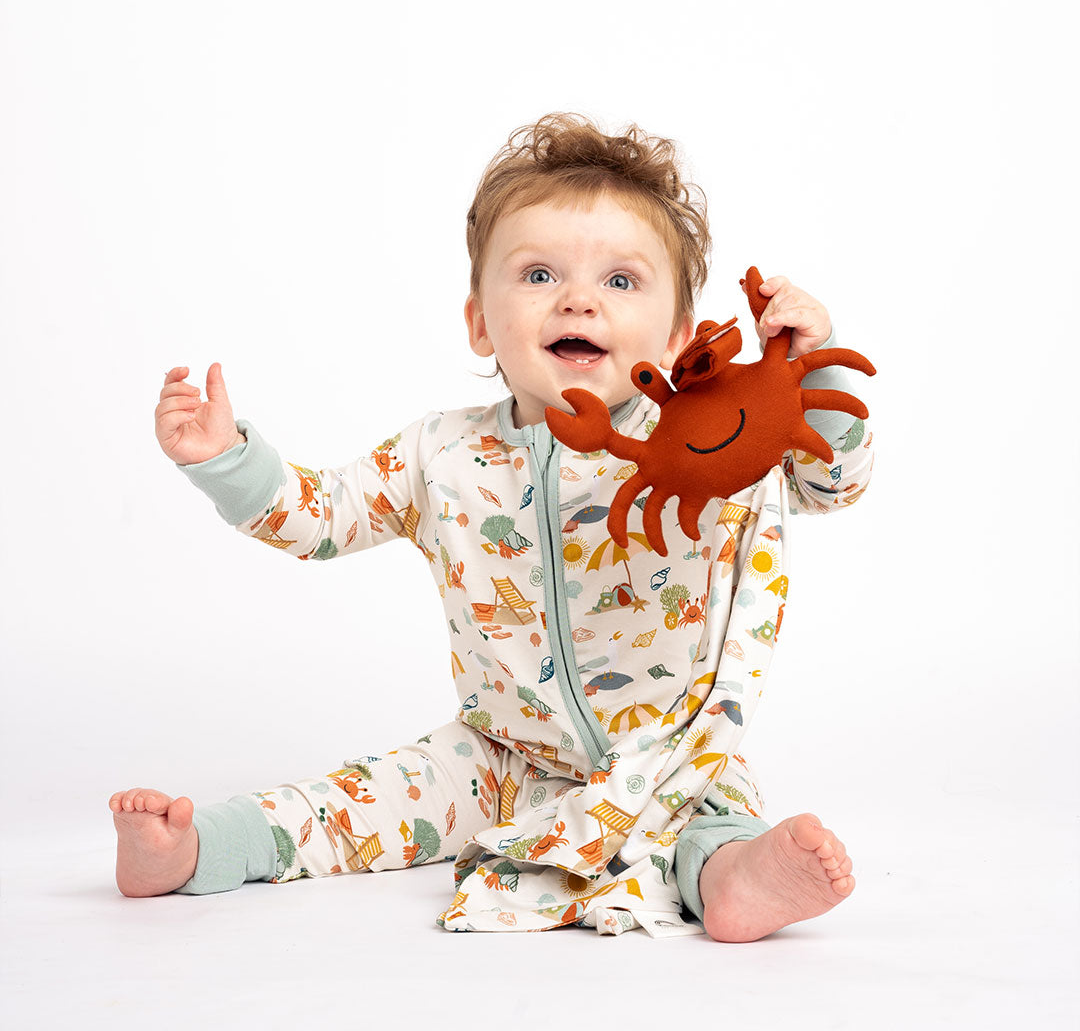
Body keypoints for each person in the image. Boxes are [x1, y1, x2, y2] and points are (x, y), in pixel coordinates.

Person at [111, 113, 870, 941]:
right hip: (499, 758)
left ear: (679, 336)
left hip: (670, 753)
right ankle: (197, 848)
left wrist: (816, 368)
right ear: (480, 323)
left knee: (712, 816)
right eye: (539, 273)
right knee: (354, 801)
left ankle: (735, 879)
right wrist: (228, 459)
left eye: (622, 281)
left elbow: (828, 482)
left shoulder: (700, 445)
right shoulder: (441, 454)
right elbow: (320, 517)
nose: (578, 299)